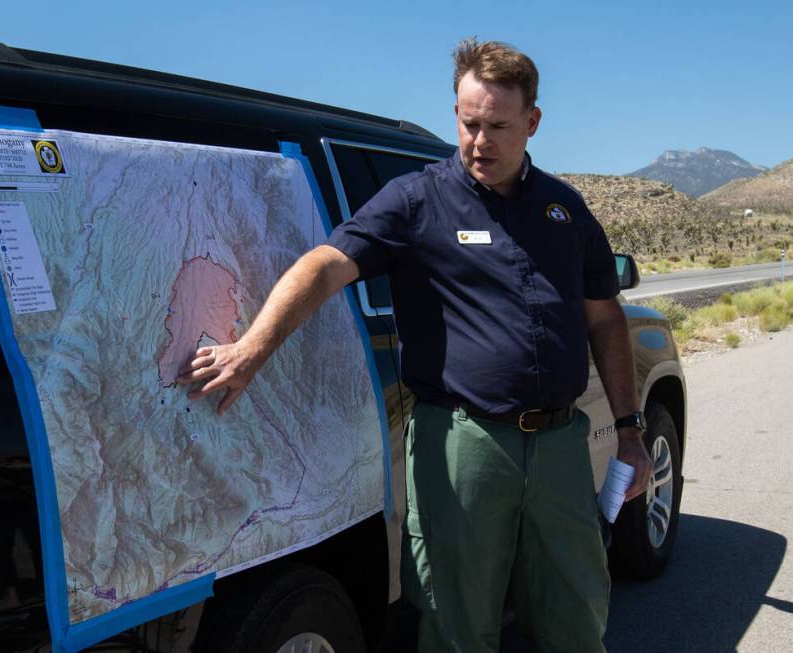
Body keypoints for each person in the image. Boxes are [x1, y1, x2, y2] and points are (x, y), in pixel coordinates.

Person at [178, 37, 653, 652]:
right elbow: (327, 264)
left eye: (497, 126)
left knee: (577, 612)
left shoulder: (564, 209)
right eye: (467, 122)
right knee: (457, 624)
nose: (479, 141)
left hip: (562, 443)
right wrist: (254, 347)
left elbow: (606, 319)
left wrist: (631, 428)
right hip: (463, 443)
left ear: (532, 123)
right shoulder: (416, 200)